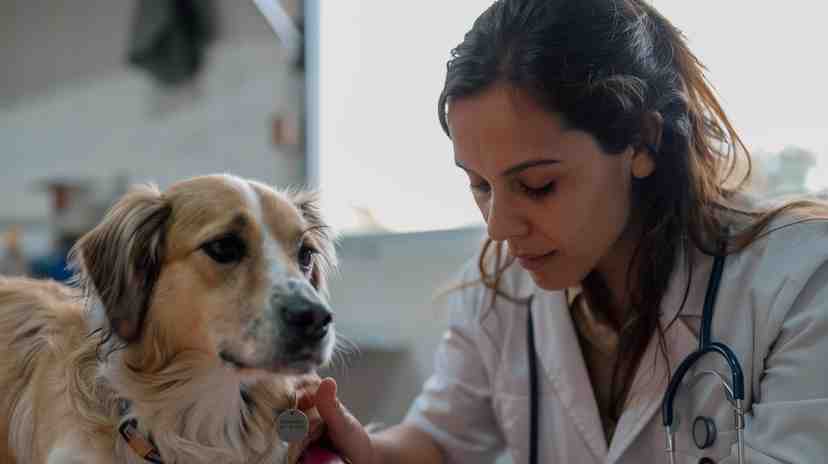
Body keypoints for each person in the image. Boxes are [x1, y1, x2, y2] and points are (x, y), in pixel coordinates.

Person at [308, 0, 828, 462]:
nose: (500, 227)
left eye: (536, 185)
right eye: (480, 186)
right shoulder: (500, 292)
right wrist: (362, 449)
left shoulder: (800, 283)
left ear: (642, 142)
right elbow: (440, 441)